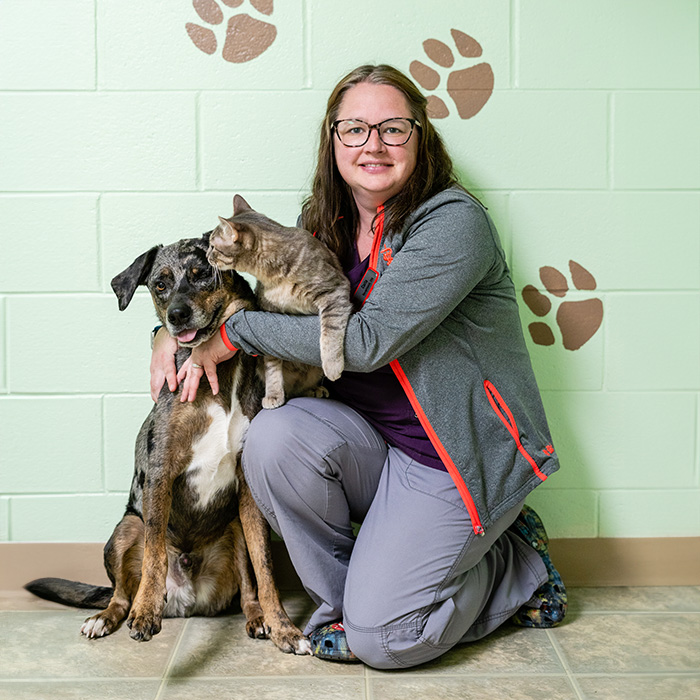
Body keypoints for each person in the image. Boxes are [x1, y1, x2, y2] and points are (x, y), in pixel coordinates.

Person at [150, 64, 567, 669]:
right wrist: (170, 333)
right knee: (271, 436)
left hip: (456, 458)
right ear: (332, 141)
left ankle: (514, 566)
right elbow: (244, 291)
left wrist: (232, 334)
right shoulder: (325, 225)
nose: (372, 143)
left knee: (387, 641)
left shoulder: (454, 224)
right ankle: (359, 599)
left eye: (393, 128)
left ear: (421, 139)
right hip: (371, 444)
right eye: (354, 129)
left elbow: (364, 343)